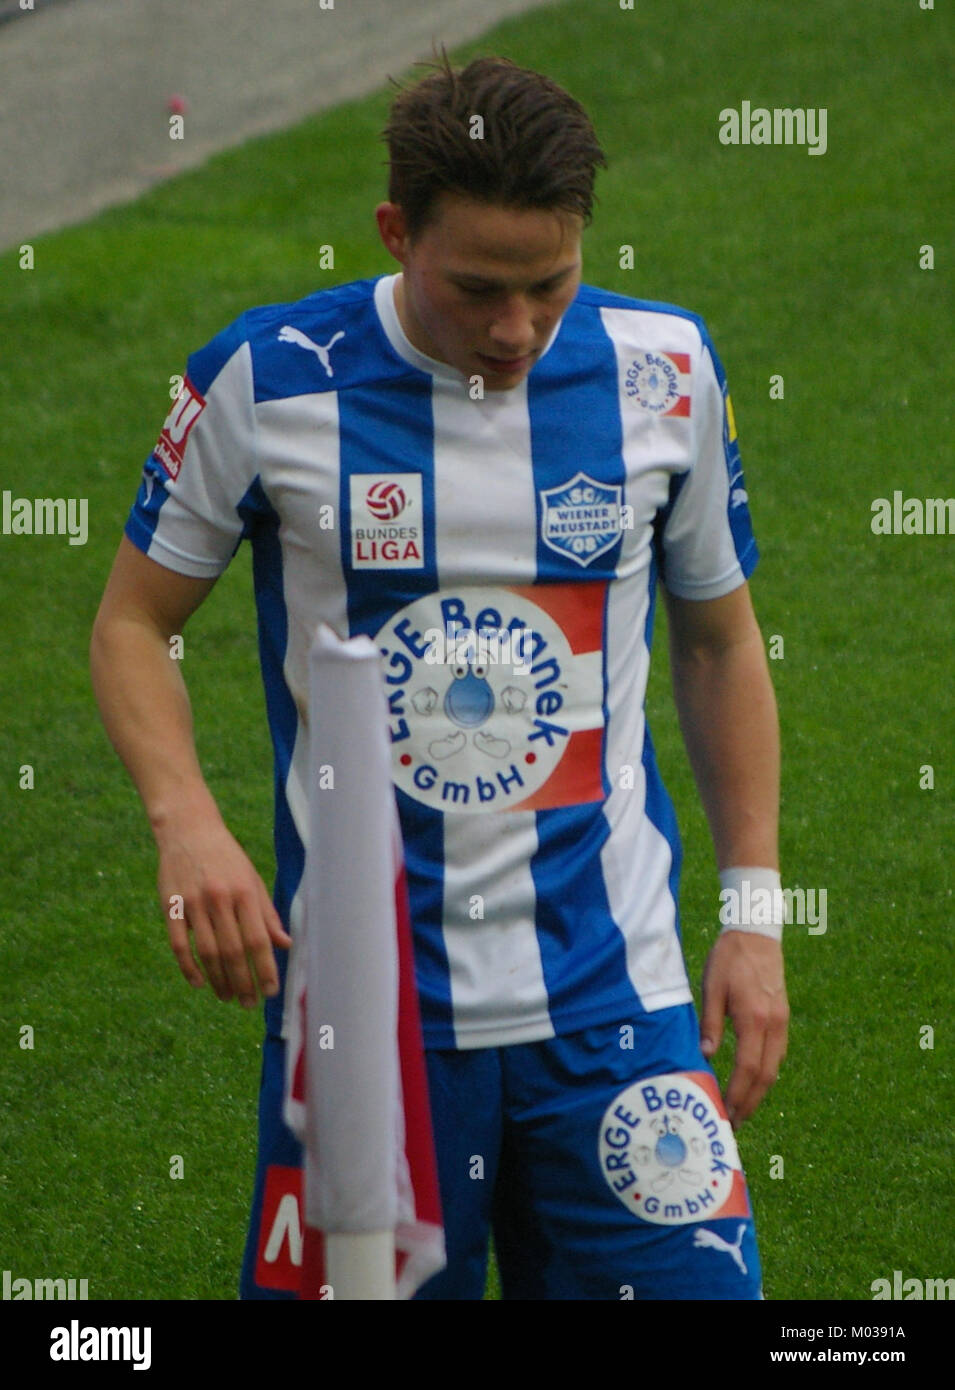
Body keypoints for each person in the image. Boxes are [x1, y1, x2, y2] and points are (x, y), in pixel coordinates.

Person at [90, 52, 788, 1300]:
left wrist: (753, 914)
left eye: (549, 286)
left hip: (616, 998)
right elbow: (134, 623)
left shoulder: (663, 373)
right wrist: (185, 824)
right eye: (477, 289)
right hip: (368, 1018)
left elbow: (722, 639)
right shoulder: (270, 380)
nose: (516, 329)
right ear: (394, 231)